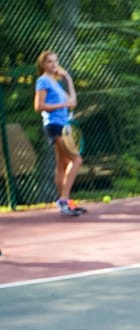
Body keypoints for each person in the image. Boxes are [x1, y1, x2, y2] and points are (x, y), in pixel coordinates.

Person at [33, 50, 85, 217]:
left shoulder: (57, 83)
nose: (53, 64)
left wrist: (68, 79)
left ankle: (65, 201)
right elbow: (38, 106)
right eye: (49, 61)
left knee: (62, 163)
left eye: (55, 61)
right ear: (43, 64)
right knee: (76, 160)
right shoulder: (42, 81)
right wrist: (61, 105)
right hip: (53, 125)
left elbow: (73, 102)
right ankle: (64, 199)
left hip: (64, 126)